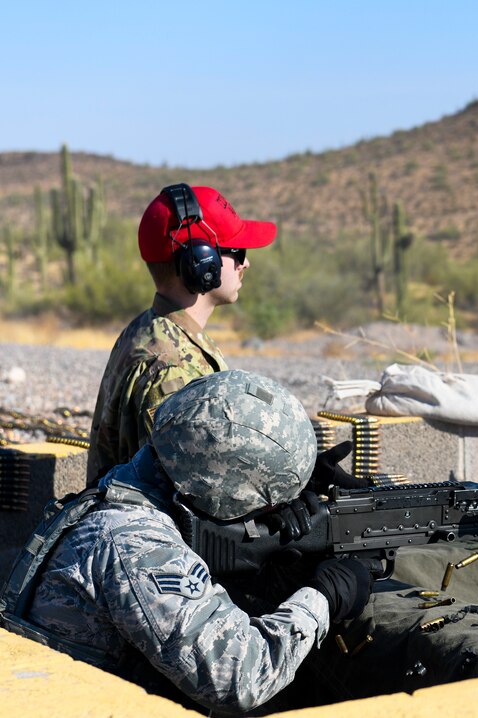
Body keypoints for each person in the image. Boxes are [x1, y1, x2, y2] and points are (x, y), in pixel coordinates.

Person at [3, 370, 375, 714]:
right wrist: (324, 597)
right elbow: (240, 678)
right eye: (266, 501)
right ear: (219, 490)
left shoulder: (134, 481)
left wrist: (280, 494)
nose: (269, 509)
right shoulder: (137, 546)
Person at [85, 184, 277, 486]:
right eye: (238, 252)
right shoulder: (171, 366)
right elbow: (192, 490)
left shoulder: (148, 329)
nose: (246, 263)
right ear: (202, 262)